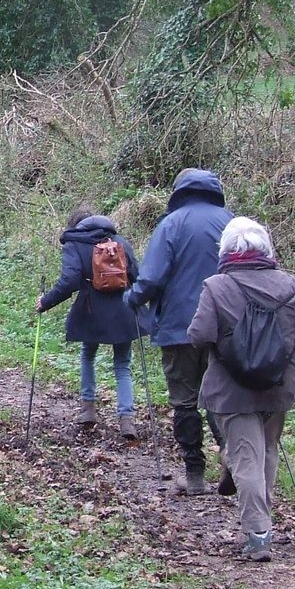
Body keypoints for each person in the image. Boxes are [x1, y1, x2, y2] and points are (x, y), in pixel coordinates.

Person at [187, 217, 295, 561]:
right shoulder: (288, 284)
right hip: (279, 388)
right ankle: (258, 512)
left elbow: (199, 335)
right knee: (266, 450)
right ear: (265, 249)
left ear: (226, 250)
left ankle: (258, 532)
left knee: (246, 456)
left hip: (231, 389)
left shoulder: (216, 286)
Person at [124, 168, 234, 494]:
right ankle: (230, 454)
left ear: (178, 191)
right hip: (223, 326)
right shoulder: (231, 221)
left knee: (184, 400)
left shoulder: (171, 224)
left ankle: (195, 473)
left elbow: (153, 277)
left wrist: (133, 298)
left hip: (179, 327)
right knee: (218, 395)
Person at [37, 205, 145, 438]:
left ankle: (88, 409)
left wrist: (45, 302)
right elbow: (137, 276)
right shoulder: (120, 242)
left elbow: (70, 280)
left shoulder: (74, 244)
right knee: (122, 365)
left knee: (88, 354)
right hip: (123, 310)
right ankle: (127, 420)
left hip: (91, 310)